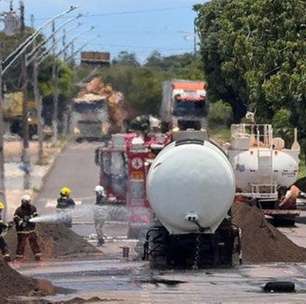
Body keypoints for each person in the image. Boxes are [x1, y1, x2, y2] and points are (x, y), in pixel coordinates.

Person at [13, 195, 41, 261]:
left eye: (29, 202)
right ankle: (19, 258)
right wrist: (21, 222)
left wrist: (33, 217)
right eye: (27, 202)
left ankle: (38, 257)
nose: (28, 204)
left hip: (31, 229)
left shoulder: (33, 208)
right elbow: (15, 218)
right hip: (22, 231)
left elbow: (36, 215)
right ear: (23, 202)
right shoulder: (18, 210)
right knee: (21, 244)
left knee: (34, 243)